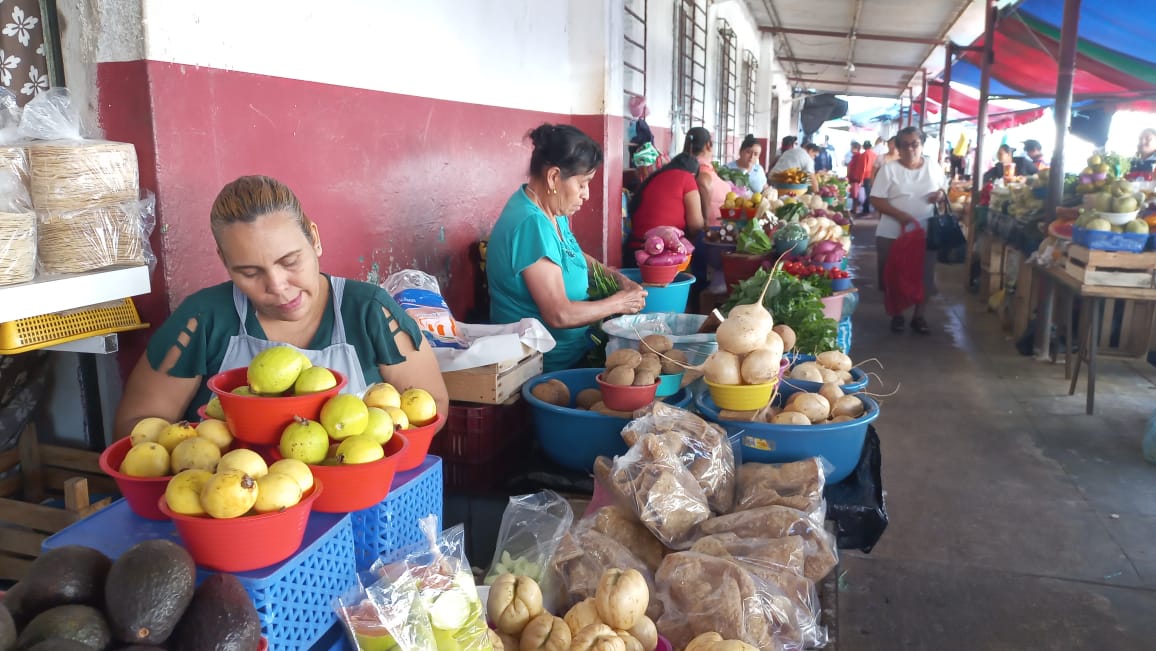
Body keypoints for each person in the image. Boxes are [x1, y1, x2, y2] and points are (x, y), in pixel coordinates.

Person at [113, 175, 450, 436]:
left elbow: (430, 406)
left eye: (290, 261)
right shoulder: (203, 320)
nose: (277, 286)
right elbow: (136, 425)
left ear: (314, 240)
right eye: (249, 272)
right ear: (225, 263)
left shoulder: (370, 312)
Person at [487, 124, 648, 372]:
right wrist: (619, 303)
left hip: (577, 352)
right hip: (544, 367)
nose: (586, 194)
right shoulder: (532, 223)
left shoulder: (550, 208)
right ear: (553, 177)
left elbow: (569, 253)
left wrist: (618, 280)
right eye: (582, 183)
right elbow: (559, 314)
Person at [870, 126, 948, 335]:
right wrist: (900, 216)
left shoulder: (932, 166)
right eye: (905, 145)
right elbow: (876, 199)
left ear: (922, 145)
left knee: (924, 275)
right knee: (893, 276)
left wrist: (939, 195)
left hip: (925, 232)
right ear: (898, 147)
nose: (910, 149)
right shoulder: (889, 169)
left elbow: (943, 188)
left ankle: (919, 316)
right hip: (892, 233)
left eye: (915, 144)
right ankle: (897, 314)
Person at [627, 130, 709, 251]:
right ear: (693, 174)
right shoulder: (687, 177)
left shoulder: (654, 178)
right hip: (660, 253)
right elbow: (695, 226)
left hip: (633, 249)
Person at [846, 142, 869, 214]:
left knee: (855, 195)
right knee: (854, 195)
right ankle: (854, 208)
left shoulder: (858, 156)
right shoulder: (855, 156)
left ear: (856, 148)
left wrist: (859, 179)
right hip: (853, 178)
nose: (850, 149)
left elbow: (859, 168)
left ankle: (855, 209)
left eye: (852, 147)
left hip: (855, 178)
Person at [859, 140, 878, 215]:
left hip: (866, 176)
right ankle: (868, 208)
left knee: (868, 193)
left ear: (864, 146)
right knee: (871, 193)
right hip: (874, 176)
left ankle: (866, 209)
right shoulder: (875, 154)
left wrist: (861, 179)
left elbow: (863, 168)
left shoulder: (864, 154)